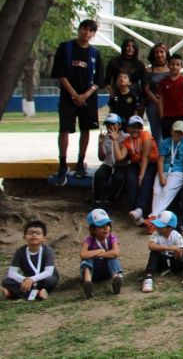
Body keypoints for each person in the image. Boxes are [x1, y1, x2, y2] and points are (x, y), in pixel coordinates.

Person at [52, 19, 104, 183]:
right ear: (79, 29)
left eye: (90, 31)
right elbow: (60, 74)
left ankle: (80, 162)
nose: (86, 33)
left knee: (86, 129)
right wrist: (74, 95)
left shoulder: (95, 54)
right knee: (64, 129)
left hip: (88, 98)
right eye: (84, 29)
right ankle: (62, 163)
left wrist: (85, 95)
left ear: (94, 34)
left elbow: (99, 80)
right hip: (68, 97)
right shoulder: (65, 48)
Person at [142, 211, 183, 292]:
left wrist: (178, 254)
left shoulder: (177, 236)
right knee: (154, 253)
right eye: (157, 224)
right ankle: (149, 278)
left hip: (174, 263)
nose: (156, 227)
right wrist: (170, 248)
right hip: (161, 263)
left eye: (160, 225)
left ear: (170, 228)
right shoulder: (156, 234)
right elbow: (151, 246)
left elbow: (181, 256)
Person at [3, 220, 59, 301]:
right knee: (6, 281)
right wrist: (24, 280)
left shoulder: (48, 251)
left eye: (38, 233)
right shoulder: (20, 252)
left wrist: (32, 280)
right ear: (24, 236)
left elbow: (48, 272)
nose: (34, 235)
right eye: (30, 233)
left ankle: (13, 293)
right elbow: (12, 272)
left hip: (43, 278)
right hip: (26, 278)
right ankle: (38, 294)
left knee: (50, 281)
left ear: (44, 238)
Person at [150, 121, 183, 222]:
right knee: (156, 191)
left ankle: (153, 217)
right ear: (171, 131)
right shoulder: (165, 142)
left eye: (181, 133)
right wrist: (161, 176)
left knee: (166, 191)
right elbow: (160, 161)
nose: (178, 134)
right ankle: (156, 218)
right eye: (176, 131)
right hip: (164, 170)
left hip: (178, 171)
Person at [121, 116, 160, 226]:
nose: (135, 130)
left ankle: (139, 209)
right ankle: (136, 212)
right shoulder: (127, 140)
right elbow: (119, 157)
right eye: (132, 127)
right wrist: (114, 141)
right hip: (136, 164)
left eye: (138, 127)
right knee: (131, 179)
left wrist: (141, 176)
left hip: (150, 163)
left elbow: (146, 157)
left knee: (145, 180)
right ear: (128, 128)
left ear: (142, 128)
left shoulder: (146, 136)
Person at [79, 209, 123, 298]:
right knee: (87, 260)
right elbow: (83, 254)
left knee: (113, 258)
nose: (106, 228)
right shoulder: (89, 240)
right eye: (101, 226)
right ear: (93, 229)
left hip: (109, 272)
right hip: (94, 273)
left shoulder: (112, 238)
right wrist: (99, 251)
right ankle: (88, 283)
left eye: (107, 225)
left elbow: (116, 253)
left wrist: (99, 254)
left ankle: (116, 279)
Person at [92, 114, 127, 209]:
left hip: (120, 164)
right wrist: (100, 144)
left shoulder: (126, 137)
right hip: (108, 163)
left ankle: (110, 201)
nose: (110, 127)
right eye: (107, 125)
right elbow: (101, 158)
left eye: (112, 124)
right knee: (99, 174)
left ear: (119, 125)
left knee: (119, 178)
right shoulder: (105, 137)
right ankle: (97, 200)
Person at [157, 53, 183, 137]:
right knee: (167, 141)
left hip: (182, 116)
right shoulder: (163, 82)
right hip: (167, 117)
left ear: (181, 66)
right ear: (168, 65)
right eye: (172, 64)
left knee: (182, 142)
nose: (175, 67)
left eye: (178, 64)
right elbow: (160, 100)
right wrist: (162, 116)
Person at [144, 43, 171, 143]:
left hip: (169, 105)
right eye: (156, 52)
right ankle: (160, 157)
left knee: (169, 132)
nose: (159, 54)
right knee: (157, 135)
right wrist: (157, 102)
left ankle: (170, 157)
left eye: (162, 52)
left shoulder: (172, 68)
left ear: (166, 53)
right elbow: (146, 89)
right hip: (153, 105)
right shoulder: (148, 70)